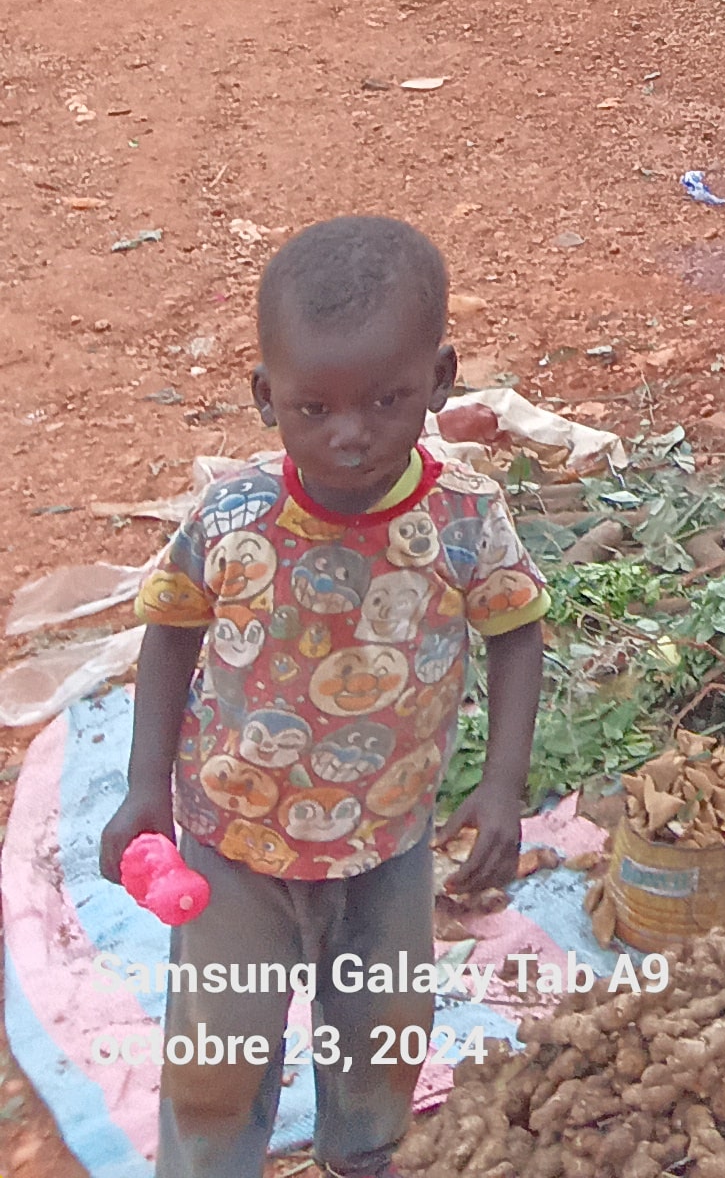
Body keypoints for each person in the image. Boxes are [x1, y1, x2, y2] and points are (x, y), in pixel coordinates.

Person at [102, 216, 547, 1178]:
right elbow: (171, 631)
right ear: (268, 398)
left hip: (388, 839)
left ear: (440, 380)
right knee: (217, 1059)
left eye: (388, 399)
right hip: (233, 841)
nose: (351, 434)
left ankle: (365, 1155)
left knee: (384, 1035)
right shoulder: (233, 517)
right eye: (315, 407)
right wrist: (144, 786)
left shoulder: (465, 517)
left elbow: (517, 633)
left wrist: (502, 786)